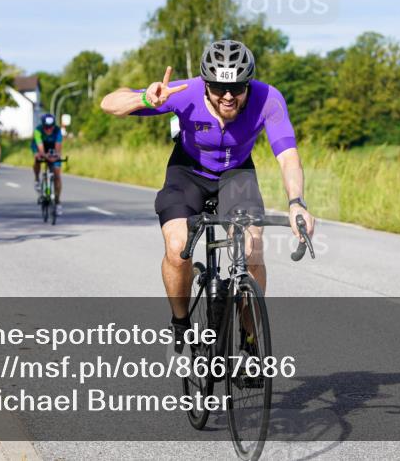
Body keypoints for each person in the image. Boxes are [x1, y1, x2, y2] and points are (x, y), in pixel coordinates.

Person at [99, 40, 316, 344]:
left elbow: (288, 156)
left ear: (248, 83)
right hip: (188, 172)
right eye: (218, 88)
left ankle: (250, 341)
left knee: (252, 249)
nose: (227, 96)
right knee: (178, 247)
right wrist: (145, 99)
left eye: (236, 88)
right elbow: (109, 103)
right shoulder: (184, 92)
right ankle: (180, 324)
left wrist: (296, 202)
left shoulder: (268, 98)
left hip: (236, 175)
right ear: (205, 83)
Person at [32, 113, 64, 215]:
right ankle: (37, 179)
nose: (49, 130)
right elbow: (41, 149)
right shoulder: (38, 130)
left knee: (57, 175)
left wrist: (56, 156)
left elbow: (58, 148)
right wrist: (44, 156)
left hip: (52, 148)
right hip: (40, 147)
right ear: (43, 125)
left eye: (51, 127)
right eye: (46, 127)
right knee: (37, 158)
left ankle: (57, 201)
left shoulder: (57, 131)